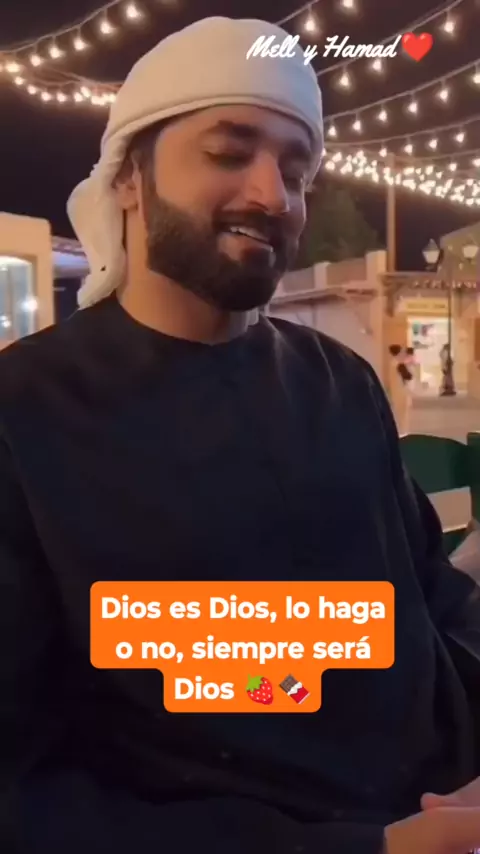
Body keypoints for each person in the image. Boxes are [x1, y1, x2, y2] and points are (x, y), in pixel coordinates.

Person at [2, 16, 480, 854]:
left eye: (297, 172)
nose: (273, 196)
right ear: (129, 177)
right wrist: (370, 848)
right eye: (229, 153)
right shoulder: (26, 412)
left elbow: (432, 603)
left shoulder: (340, 383)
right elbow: (25, 793)